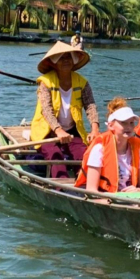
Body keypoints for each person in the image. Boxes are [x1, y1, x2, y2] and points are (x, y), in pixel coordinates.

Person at [30, 41, 100, 177]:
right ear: (54, 63)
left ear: (74, 60)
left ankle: (84, 185)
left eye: (69, 57)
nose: (66, 60)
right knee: (56, 156)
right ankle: (61, 188)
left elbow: (90, 106)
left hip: (71, 132)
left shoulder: (82, 82)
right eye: (61, 58)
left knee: (84, 155)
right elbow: (46, 110)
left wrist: (95, 129)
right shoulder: (46, 82)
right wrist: (58, 130)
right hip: (48, 132)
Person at [74, 98, 140, 193]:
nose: (128, 127)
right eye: (123, 123)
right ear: (111, 125)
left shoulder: (137, 149)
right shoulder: (100, 149)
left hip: (129, 199)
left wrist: (139, 190)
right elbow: (91, 190)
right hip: (106, 198)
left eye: (131, 123)